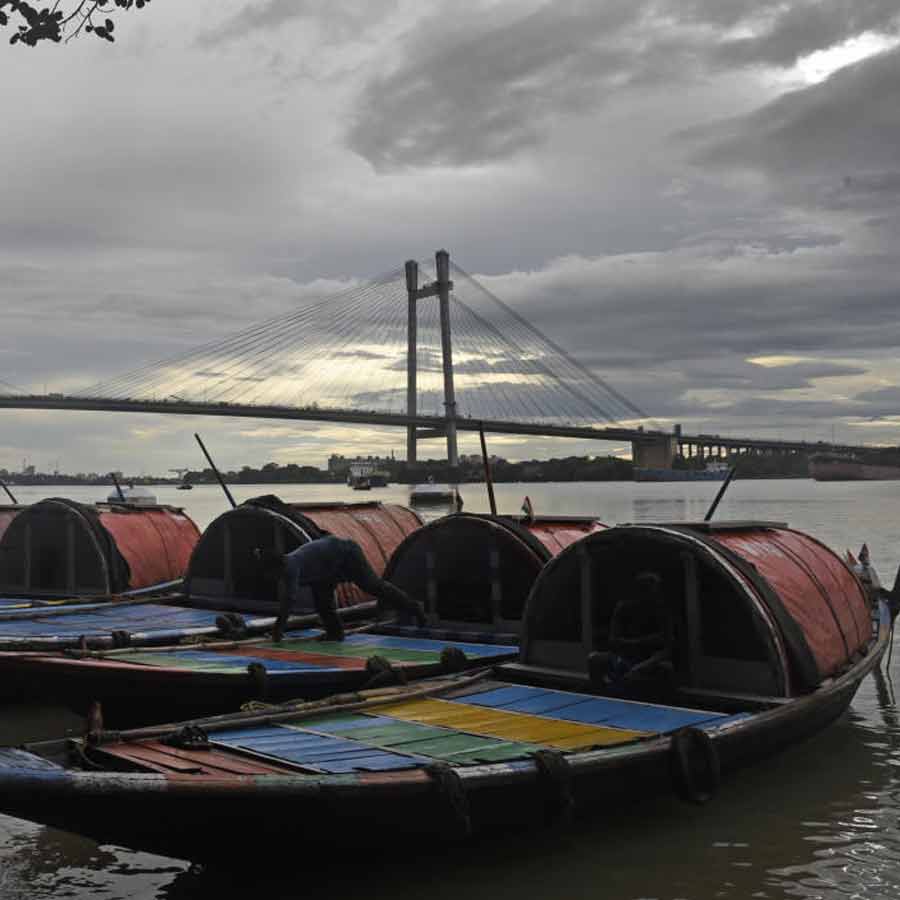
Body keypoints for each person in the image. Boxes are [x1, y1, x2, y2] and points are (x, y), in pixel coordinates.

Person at [254, 536, 426, 642]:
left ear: (276, 568)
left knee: (373, 586)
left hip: (346, 553)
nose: (270, 578)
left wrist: (278, 630)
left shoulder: (291, 568)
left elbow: (288, 601)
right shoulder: (287, 566)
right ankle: (335, 633)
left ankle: (413, 607)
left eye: (269, 574)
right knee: (322, 604)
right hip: (324, 570)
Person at [607, 571, 672, 682]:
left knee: (666, 666)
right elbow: (613, 640)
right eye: (646, 589)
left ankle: (636, 672)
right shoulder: (623, 607)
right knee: (595, 659)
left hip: (651, 656)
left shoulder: (661, 610)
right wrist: (642, 642)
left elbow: (667, 643)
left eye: (654, 590)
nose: (653, 593)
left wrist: (644, 665)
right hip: (626, 654)